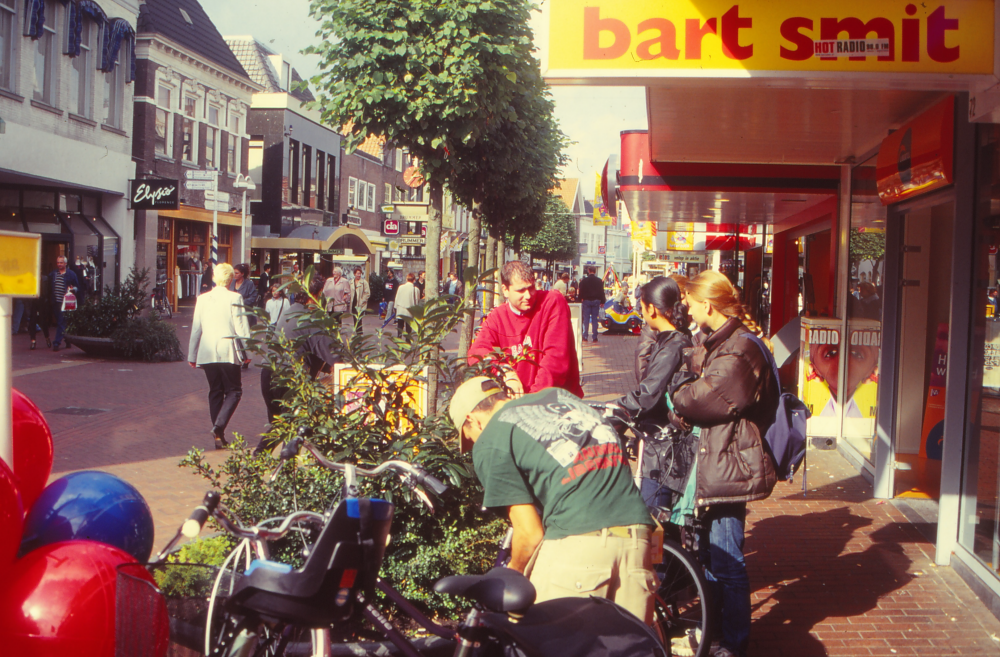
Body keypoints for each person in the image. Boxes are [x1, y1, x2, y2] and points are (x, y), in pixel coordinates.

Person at [448, 378, 656, 622]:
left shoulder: (491, 439)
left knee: (532, 637)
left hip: (578, 548)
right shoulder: (559, 397)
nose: (473, 442)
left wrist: (511, 577)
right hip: (638, 543)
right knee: (625, 647)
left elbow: (529, 534)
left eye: (469, 436)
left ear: (472, 419)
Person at [670, 270, 779, 657]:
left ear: (708, 305)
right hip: (720, 460)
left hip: (729, 465)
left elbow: (704, 396)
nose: (685, 306)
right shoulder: (727, 342)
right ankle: (716, 636)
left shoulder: (741, 348)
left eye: (690, 301)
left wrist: (680, 397)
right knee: (714, 557)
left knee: (728, 560)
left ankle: (732, 644)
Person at [613, 276, 694, 508]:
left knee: (653, 518)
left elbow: (648, 394)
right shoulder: (671, 339)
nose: (641, 312)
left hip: (664, 447)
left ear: (652, 309)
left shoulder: (673, 345)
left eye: (642, 307)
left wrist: (613, 407)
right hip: (662, 444)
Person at [468, 261, 583, 397]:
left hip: (557, 401)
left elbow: (555, 361)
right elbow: (476, 353)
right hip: (520, 403)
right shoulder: (497, 317)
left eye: (531, 287)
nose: (528, 296)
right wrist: (505, 372)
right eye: (521, 290)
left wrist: (530, 400)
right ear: (505, 290)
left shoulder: (552, 302)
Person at [257, 276, 340, 453]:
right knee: (293, 424)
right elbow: (337, 357)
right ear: (315, 295)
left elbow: (307, 348)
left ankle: (260, 461)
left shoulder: (291, 310)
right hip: (290, 377)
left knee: (281, 424)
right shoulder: (311, 318)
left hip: (269, 372)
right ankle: (277, 465)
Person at [188, 263, 252, 450]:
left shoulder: (202, 298)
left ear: (214, 278)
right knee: (234, 391)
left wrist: (192, 354)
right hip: (227, 349)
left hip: (207, 351)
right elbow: (241, 327)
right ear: (231, 279)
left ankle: (219, 435)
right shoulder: (235, 297)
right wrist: (247, 352)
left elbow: (196, 328)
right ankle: (218, 427)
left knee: (215, 391)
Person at [50, 256, 80, 352]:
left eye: (61, 262)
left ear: (65, 263)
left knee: (61, 322)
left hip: (65, 302)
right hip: (56, 302)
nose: (59, 264)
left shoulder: (71, 274)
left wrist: (72, 289)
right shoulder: (54, 274)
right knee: (62, 322)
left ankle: (56, 343)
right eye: (58, 262)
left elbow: (77, 287)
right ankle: (67, 340)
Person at [578, 266, 606, 343]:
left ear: (588, 270)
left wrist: (580, 299)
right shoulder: (599, 281)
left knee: (586, 319)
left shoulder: (584, 281)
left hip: (586, 301)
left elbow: (581, 291)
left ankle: (585, 336)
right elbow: (601, 292)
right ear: (595, 271)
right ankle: (594, 337)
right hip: (596, 301)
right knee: (594, 319)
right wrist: (602, 301)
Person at [28, 273, 51, 350]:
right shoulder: (30, 279)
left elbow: (48, 291)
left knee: (43, 321)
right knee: (32, 321)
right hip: (33, 301)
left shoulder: (45, 279)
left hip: (42, 301)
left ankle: (47, 338)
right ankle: (33, 341)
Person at [394, 272, 420, 339]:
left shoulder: (400, 287)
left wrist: (395, 308)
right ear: (414, 280)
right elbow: (417, 301)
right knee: (408, 328)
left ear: (406, 279)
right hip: (410, 310)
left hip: (400, 309)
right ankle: (408, 342)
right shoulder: (416, 289)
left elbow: (397, 298)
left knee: (400, 326)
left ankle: (399, 341)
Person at [350, 268, 371, 333]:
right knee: (355, 320)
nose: (359, 275)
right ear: (354, 274)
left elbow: (367, 293)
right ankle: (356, 334)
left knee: (359, 320)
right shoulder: (351, 282)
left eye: (360, 273)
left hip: (360, 305)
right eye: (357, 273)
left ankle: (359, 335)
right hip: (353, 303)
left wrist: (362, 301)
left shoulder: (364, 282)